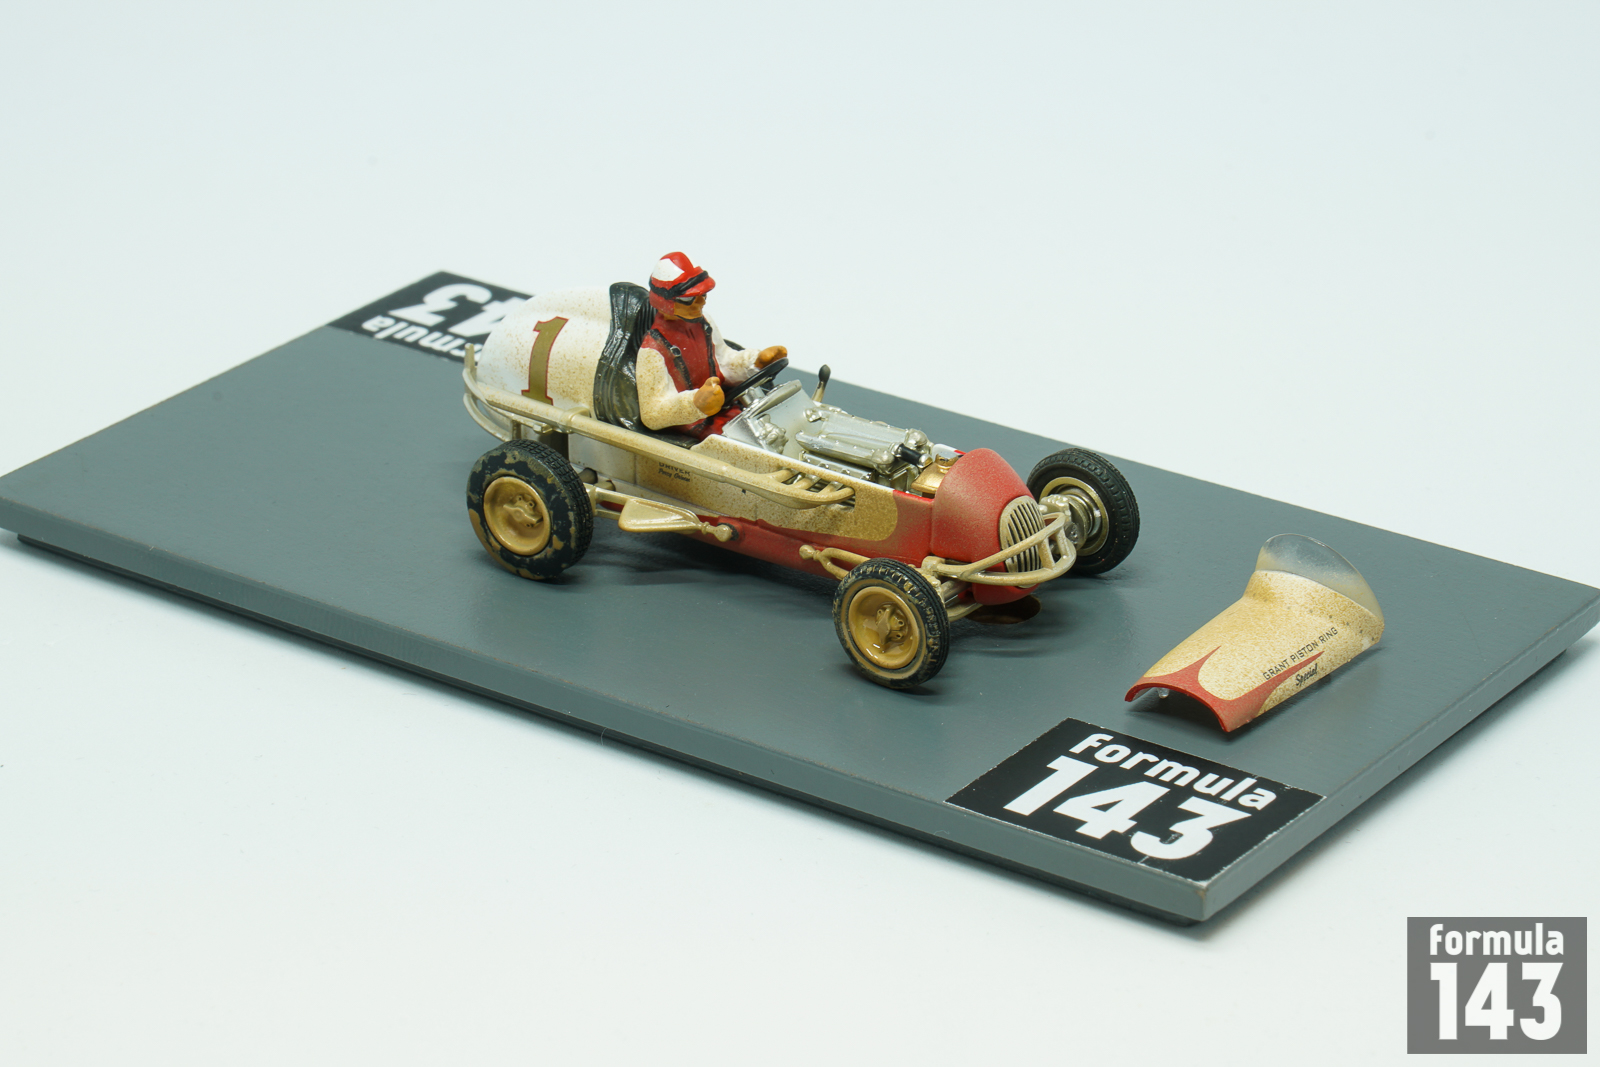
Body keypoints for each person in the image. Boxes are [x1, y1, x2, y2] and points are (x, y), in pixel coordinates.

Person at [636, 252, 786, 436]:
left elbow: (724, 362)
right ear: (665, 301)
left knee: (775, 424)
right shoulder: (652, 350)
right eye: (690, 298)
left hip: (726, 407)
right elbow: (652, 414)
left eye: (703, 295)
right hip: (693, 424)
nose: (701, 302)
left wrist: (755, 362)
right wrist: (695, 404)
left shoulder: (704, 323)